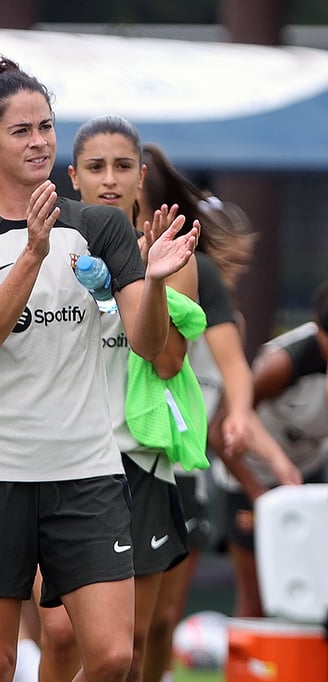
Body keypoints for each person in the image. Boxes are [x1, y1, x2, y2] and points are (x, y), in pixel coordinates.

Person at [0, 56, 197, 682]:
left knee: (110, 655)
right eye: (21, 130)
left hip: (86, 470)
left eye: (46, 126)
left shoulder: (101, 226)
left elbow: (148, 345)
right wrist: (33, 253)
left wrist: (152, 283)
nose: (40, 141)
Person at [30, 114, 203, 682]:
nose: (110, 178)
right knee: (59, 635)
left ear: (142, 174)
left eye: (123, 166)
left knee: (127, 644)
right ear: (73, 175)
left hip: (137, 460)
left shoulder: (170, 254)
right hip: (62, 460)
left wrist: (148, 280)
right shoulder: (44, 250)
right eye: (97, 167)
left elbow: (169, 359)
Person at [135, 144, 302, 682]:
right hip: (116, 459)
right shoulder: (103, 264)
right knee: (121, 629)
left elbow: (237, 392)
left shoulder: (202, 277)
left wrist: (278, 468)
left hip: (183, 473)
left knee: (160, 622)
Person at [211, 283, 328, 619]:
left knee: (313, 596)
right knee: (257, 599)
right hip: (250, 478)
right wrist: (258, 492)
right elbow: (221, 430)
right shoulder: (281, 364)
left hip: (307, 477)